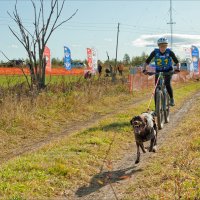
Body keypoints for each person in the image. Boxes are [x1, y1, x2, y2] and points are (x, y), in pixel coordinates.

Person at [143, 37, 180, 106]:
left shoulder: (170, 52)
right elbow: (147, 61)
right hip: (158, 71)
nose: (163, 47)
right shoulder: (155, 52)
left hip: (168, 70)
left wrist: (178, 69)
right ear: (158, 46)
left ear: (166, 46)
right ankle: (156, 108)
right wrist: (144, 69)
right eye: (161, 45)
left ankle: (171, 99)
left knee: (167, 83)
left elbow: (177, 62)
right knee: (156, 88)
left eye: (164, 45)